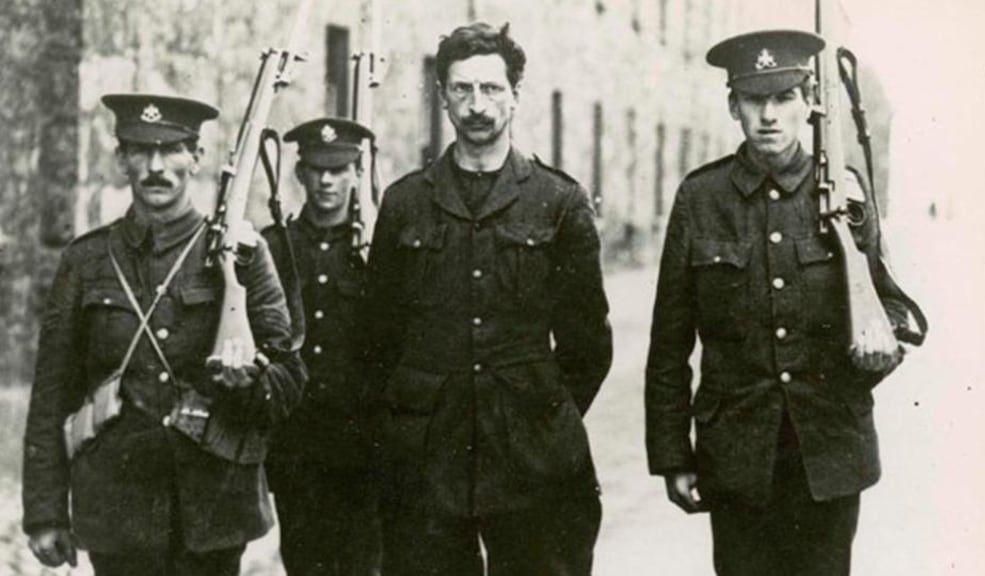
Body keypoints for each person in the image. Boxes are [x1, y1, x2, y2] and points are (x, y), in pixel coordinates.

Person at [645, 30, 923, 576]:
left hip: (829, 456)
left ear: (808, 103)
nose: (768, 115)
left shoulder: (846, 196)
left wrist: (879, 347)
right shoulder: (701, 200)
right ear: (733, 106)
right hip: (736, 459)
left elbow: (892, 309)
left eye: (783, 98)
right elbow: (669, 342)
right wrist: (673, 456)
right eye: (754, 99)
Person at [22, 93, 306, 576]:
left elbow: (289, 377)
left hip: (212, 510)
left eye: (172, 149)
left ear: (196, 157)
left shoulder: (242, 254)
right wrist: (45, 512)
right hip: (117, 508)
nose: (156, 166)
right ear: (121, 159)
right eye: (140, 150)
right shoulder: (86, 260)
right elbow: (53, 391)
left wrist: (250, 382)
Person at [365, 22, 612, 576]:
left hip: (533, 459)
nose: (478, 105)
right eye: (463, 90)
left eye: (492, 89)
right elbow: (377, 336)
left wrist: (541, 414)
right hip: (427, 458)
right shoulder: (405, 204)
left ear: (516, 96)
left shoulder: (559, 202)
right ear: (443, 96)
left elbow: (588, 342)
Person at [262, 117, 381, 576]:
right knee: (305, 560)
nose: (327, 180)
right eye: (317, 169)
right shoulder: (275, 248)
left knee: (365, 563)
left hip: (365, 441)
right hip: (298, 445)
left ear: (356, 173)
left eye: (339, 169)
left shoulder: (378, 249)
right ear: (300, 173)